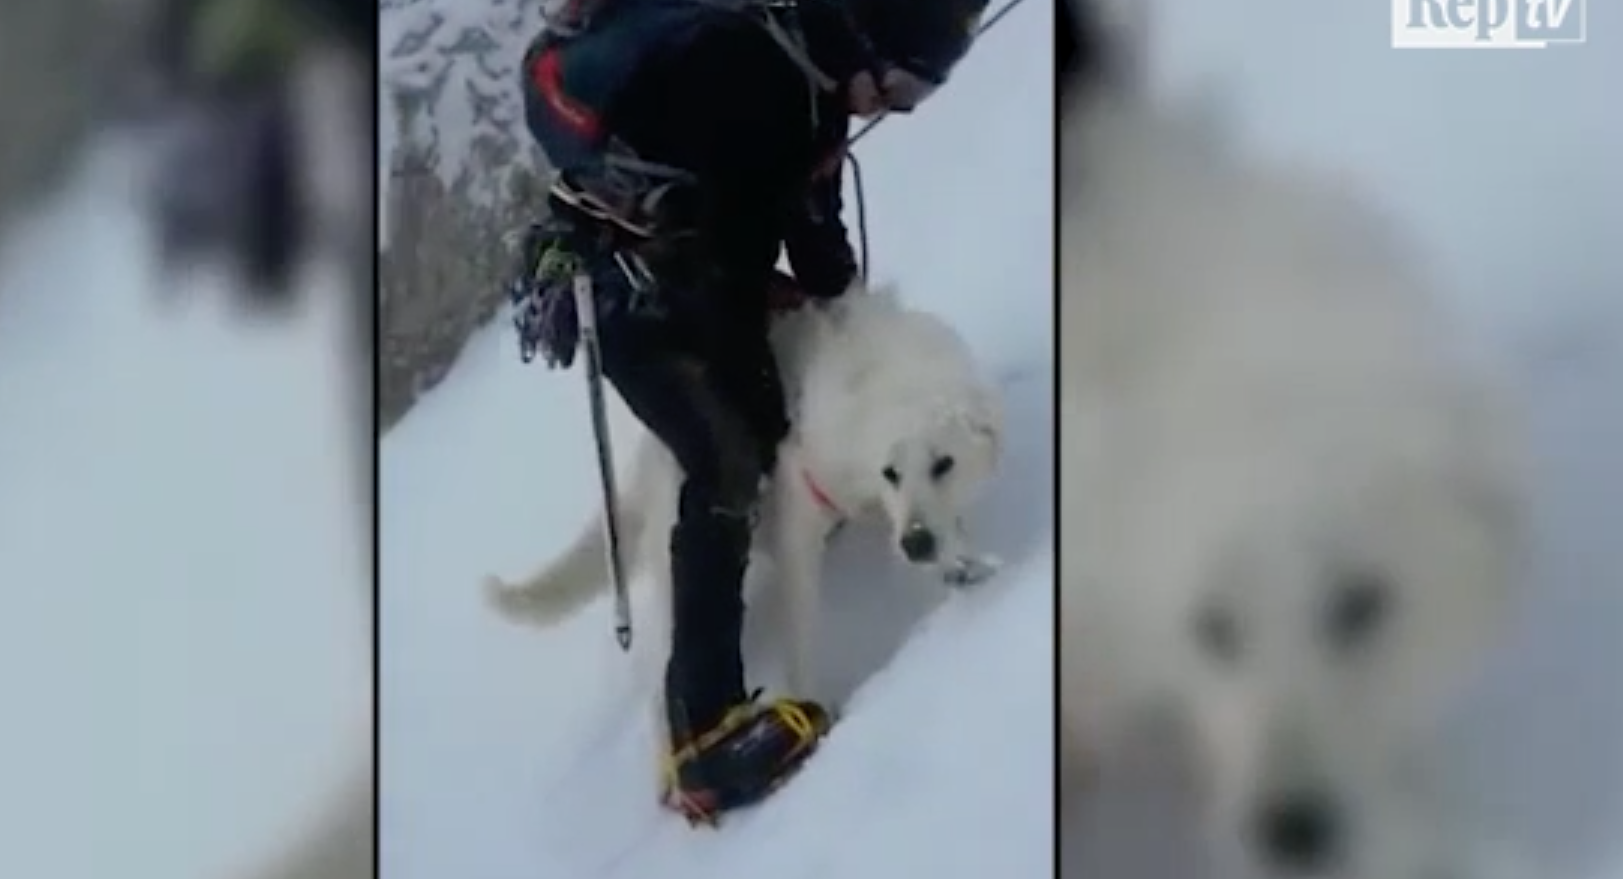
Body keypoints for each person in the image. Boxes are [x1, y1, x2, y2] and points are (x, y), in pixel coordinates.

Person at [513, 0, 990, 823]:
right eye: (905, 87)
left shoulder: (808, 86)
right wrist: (763, 364)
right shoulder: (753, 73)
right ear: (871, 44)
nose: (898, 105)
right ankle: (699, 737)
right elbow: (714, 248)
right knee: (726, 457)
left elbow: (810, 233)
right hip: (638, 306)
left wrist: (842, 327)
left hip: (690, 287)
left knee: (758, 430)